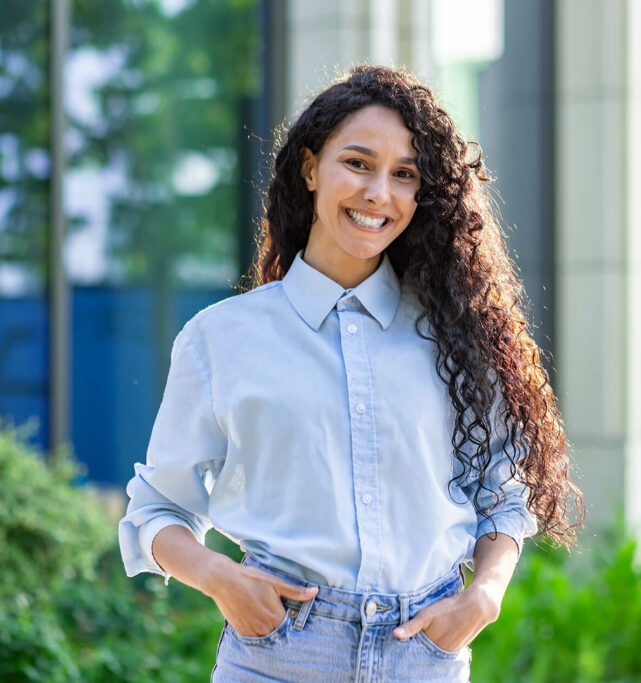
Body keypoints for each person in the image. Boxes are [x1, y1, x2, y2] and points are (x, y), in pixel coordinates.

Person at [117, 65, 583, 681]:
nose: (377, 194)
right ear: (311, 168)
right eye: (358, 163)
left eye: (404, 175)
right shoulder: (221, 339)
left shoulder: (455, 337)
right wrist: (218, 578)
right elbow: (158, 509)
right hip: (278, 655)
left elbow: (506, 487)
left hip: (425, 656)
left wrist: (486, 593)